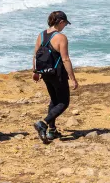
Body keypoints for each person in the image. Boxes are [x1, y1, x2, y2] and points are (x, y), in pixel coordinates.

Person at [32, 11, 79, 143]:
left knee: (54, 100)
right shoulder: (61, 37)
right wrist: (72, 78)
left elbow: (35, 55)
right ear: (60, 22)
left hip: (45, 73)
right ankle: (43, 123)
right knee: (64, 102)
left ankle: (51, 131)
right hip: (57, 73)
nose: (65, 26)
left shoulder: (41, 35)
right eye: (65, 24)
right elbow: (65, 59)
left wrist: (35, 71)